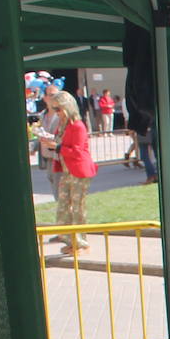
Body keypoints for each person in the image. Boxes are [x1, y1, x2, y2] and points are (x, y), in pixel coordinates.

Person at [47, 92, 97, 254]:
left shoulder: (77, 126)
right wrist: (48, 140)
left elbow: (78, 151)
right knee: (63, 207)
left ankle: (81, 243)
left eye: (58, 109)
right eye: (54, 109)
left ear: (67, 107)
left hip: (78, 171)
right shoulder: (63, 125)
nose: (56, 112)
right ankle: (69, 239)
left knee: (77, 208)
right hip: (67, 171)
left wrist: (57, 147)